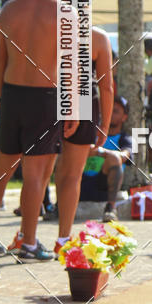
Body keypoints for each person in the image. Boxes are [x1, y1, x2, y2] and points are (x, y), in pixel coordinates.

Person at [0, 0, 76, 262]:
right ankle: (29, 241)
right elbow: (70, 70)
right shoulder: (66, 14)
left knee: (1, 170)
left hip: (11, 94)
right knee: (36, 174)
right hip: (45, 98)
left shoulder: (9, 10)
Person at [52, 27, 114, 254]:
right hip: (85, 98)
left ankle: (26, 238)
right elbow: (106, 86)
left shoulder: (51, 29)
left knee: (38, 175)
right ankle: (62, 239)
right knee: (72, 174)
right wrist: (105, 125)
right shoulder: (98, 37)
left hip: (50, 95)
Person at [79, 96, 133, 218]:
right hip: (81, 182)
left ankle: (110, 208)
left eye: (116, 111)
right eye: (108, 110)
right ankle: (54, 206)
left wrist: (99, 152)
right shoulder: (91, 133)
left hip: (102, 186)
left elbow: (124, 156)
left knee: (114, 158)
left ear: (124, 117)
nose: (110, 114)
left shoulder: (125, 139)